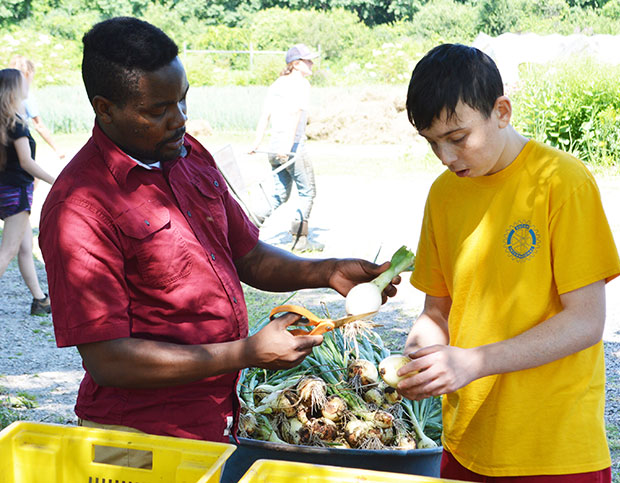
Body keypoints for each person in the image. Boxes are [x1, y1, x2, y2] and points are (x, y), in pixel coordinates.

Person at [38, 17, 399, 459]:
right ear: (105, 107)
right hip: (135, 439)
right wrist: (246, 352)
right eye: (157, 110)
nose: (179, 119)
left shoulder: (188, 154)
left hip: (216, 422)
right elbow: (108, 360)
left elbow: (247, 256)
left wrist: (327, 270)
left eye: (183, 99)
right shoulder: (80, 205)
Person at [396, 44, 620, 482]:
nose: (446, 157)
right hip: (466, 441)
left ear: (501, 111)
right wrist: (421, 350)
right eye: (432, 143)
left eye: (458, 138)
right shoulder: (443, 194)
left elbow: (585, 322)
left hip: (552, 449)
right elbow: (436, 309)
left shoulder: (561, 182)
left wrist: (472, 362)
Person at [249, 44, 321, 253]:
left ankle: (248, 227)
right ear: (296, 64)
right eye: (308, 61)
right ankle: (300, 240)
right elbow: (296, 113)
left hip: (273, 148)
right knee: (307, 192)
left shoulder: (277, 84)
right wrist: (288, 146)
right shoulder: (302, 84)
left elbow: (265, 115)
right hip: (292, 148)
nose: (311, 64)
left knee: (279, 194)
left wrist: (256, 143)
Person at [0, 69, 55, 316]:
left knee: (24, 247)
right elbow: (26, 162)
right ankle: (40, 299)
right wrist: (57, 180)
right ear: (14, 89)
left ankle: (40, 300)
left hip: (4, 190)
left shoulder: (4, 121)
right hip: (16, 191)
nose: (27, 84)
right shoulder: (16, 123)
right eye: (23, 82)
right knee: (9, 250)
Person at [8, 55, 65, 160]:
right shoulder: (26, 96)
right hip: (21, 144)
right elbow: (39, 126)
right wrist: (56, 149)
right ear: (28, 74)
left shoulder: (4, 93)